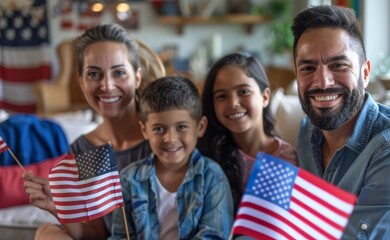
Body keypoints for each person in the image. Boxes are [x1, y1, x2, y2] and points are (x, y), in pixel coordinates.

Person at [292, 5, 390, 239]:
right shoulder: (309, 130)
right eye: (308, 68)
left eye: (338, 65)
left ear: (365, 73)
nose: (322, 81)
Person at [22, 23, 165, 240]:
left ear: (136, 77)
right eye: (94, 74)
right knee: (47, 233)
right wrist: (59, 209)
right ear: (81, 81)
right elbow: (96, 233)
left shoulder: (164, 137)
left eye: (119, 73)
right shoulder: (82, 149)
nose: (106, 85)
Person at [109, 76, 233, 239]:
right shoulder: (128, 180)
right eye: (159, 129)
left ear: (200, 127)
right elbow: (120, 235)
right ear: (145, 130)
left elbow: (214, 236)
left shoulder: (213, 178)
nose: (170, 138)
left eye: (181, 127)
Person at [199, 52, 297, 213]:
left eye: (243, 92)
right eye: (222, 96)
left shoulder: (285, 158)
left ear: (265, 97)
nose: (233, 103)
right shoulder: (209, 156)